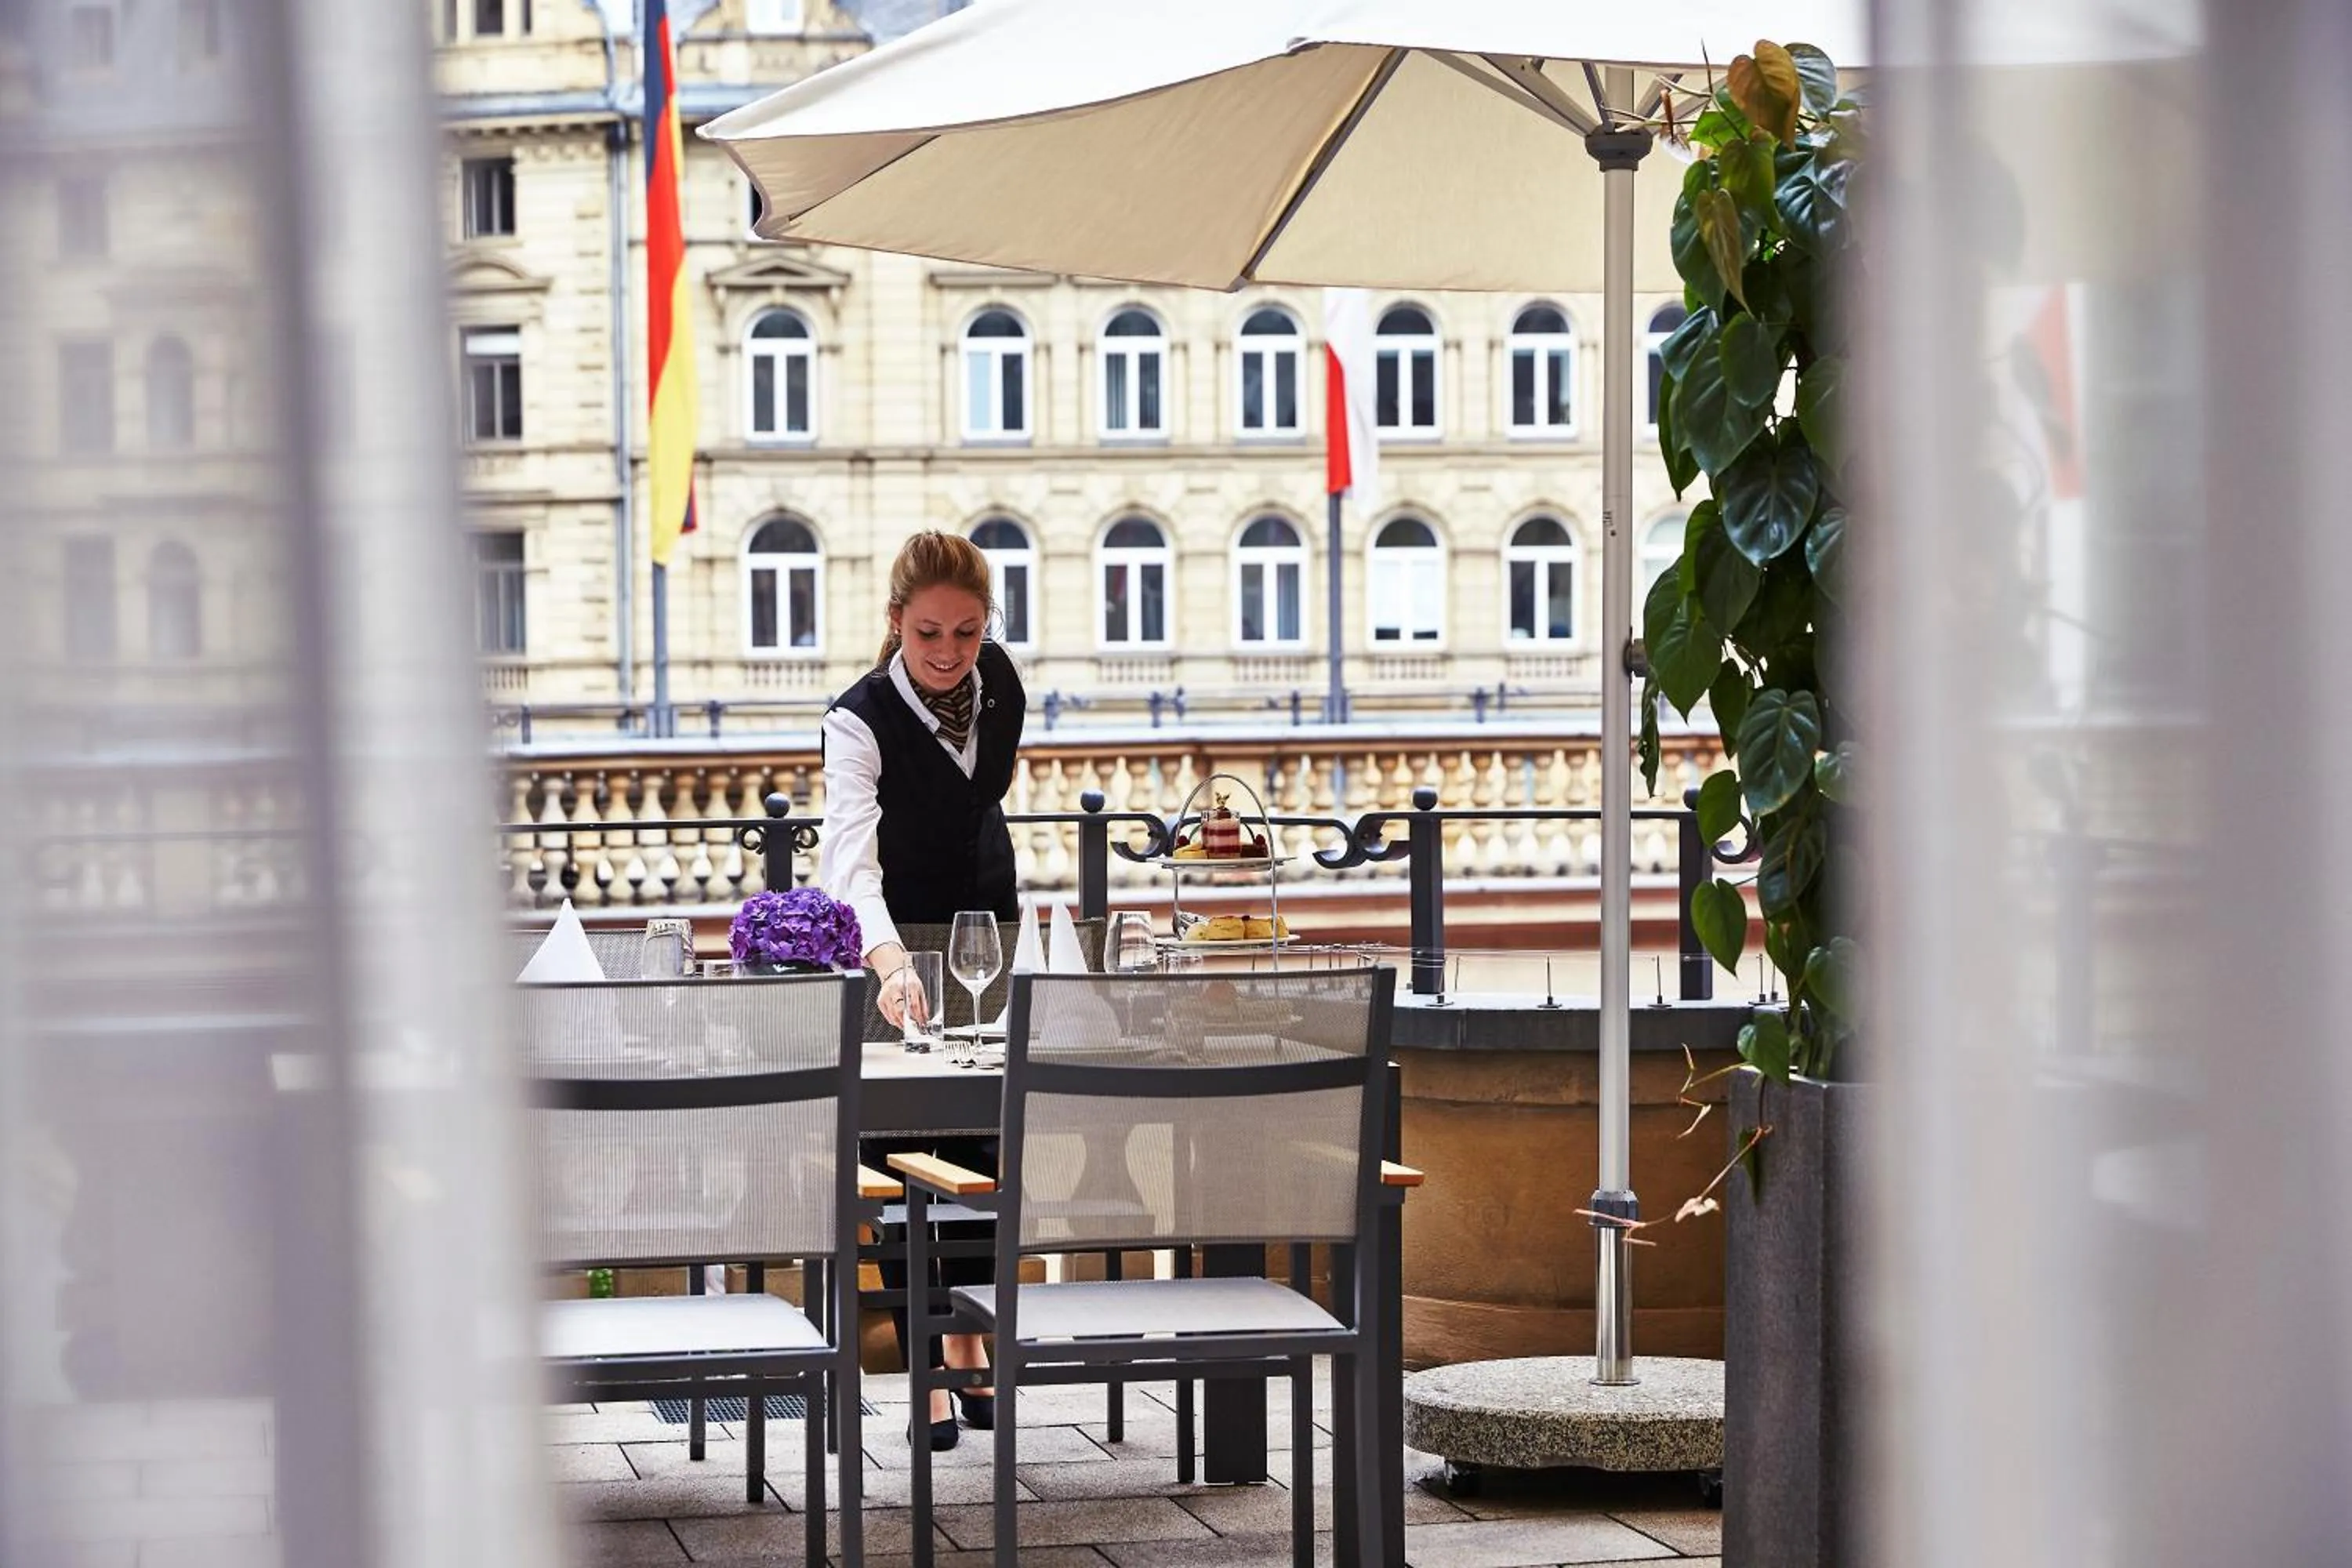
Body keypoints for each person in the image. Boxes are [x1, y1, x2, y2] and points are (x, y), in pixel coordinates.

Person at [818, 530, 1020, 1450]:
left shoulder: (1002, 683)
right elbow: (848, 863)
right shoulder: (857, 720)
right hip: (891, 949)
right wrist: (892, 961)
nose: (949, 652)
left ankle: (971, 1341)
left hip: (985, 935)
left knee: (981, 1149)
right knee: (900, 1162)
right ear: (896, 620)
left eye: (968, 632)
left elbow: (981, 798)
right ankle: (926, 1369)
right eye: (930, 631)